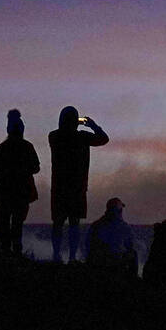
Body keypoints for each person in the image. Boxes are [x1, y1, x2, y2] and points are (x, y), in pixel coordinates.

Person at [48, 106, 108, 263]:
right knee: (74, 225)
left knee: (58, 224)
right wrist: (93, 125)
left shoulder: (54, 136)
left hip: (59, 188)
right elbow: (104, 139)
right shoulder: (82, 137)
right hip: (77, 188)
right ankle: (72, 257)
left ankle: (56, 255)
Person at [0, 109, 41, 254]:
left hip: (4, 191)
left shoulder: (0, 148)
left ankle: (6, 251)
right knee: (17, 223)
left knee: (4, 223)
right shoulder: (28, 147)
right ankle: (16, 251)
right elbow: (36, 167)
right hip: (22, 191)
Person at [85, 197, 136, 275]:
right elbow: (130, 246)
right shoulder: (124, 227)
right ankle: (133, 278)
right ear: (119, 211)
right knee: (133, 253)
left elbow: (88, 244)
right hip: (114, 262)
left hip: (97, 261)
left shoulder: (96, 225)